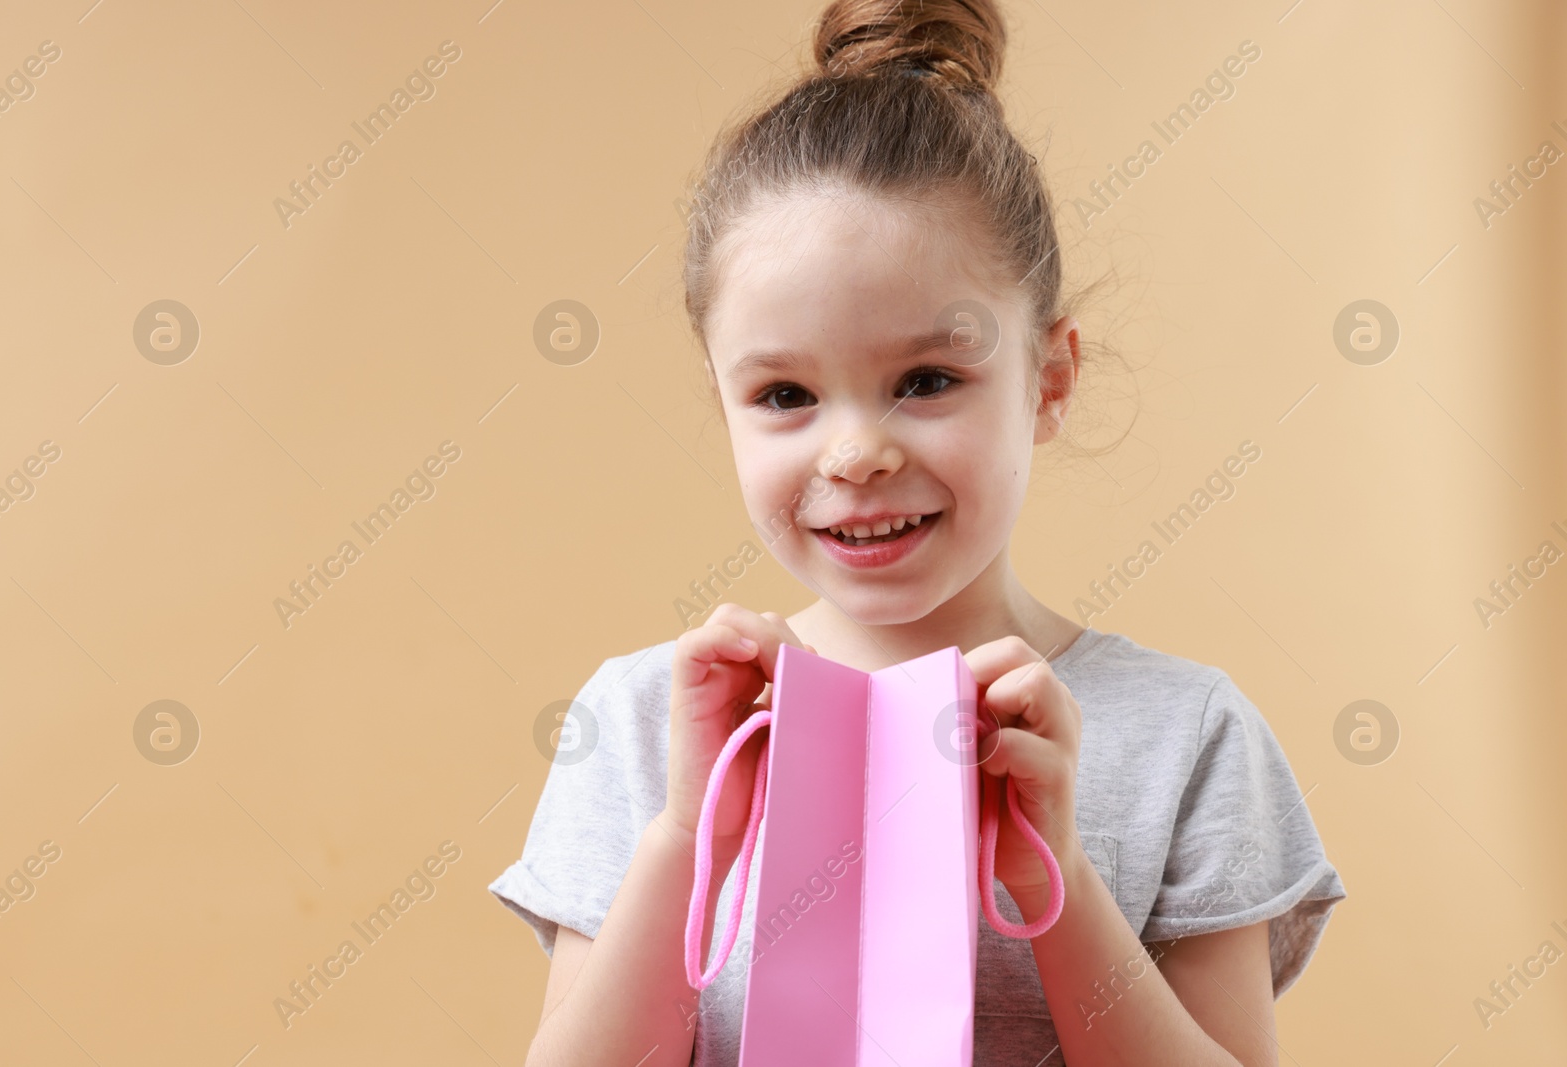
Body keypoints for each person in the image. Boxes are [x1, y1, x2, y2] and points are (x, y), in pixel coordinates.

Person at [492, 0, 1346, 1062]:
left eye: (927, 380)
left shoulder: (1190, 736)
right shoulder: (640, 727)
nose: (854, 454)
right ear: (720, 401)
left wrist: (1059, 884)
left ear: (1049, 378)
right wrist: (686, 841)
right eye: (784, 394)